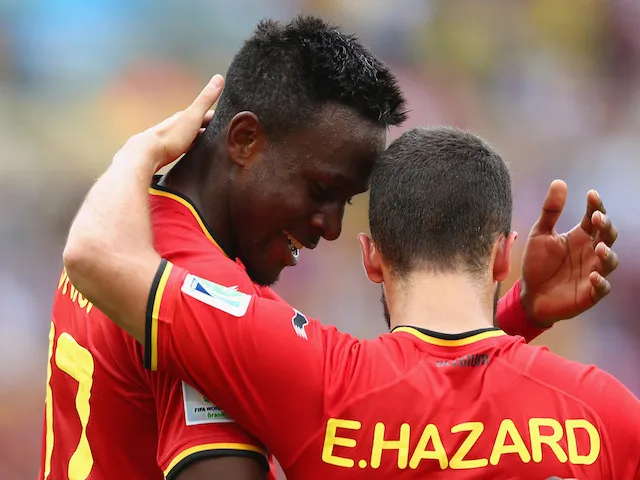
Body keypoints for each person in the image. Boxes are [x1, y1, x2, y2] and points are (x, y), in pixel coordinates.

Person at [61, 75, 634, 480]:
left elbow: (93, 254)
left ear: (372, 257)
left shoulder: (316, 381)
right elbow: (463, 396)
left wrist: (140, 152)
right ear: (503, 256)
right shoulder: (605, 413)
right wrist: (519, 314)